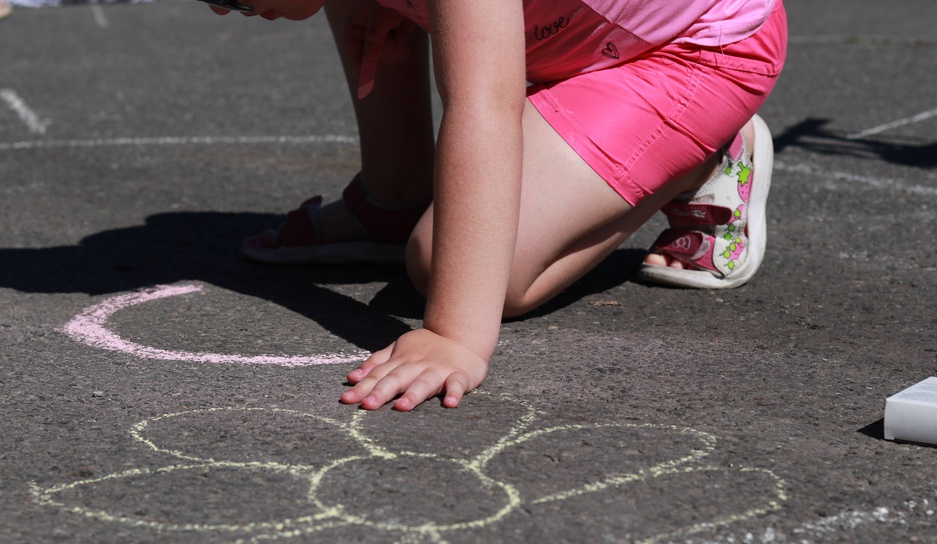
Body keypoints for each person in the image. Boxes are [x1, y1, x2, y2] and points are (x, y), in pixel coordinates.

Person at [208, 0, 787, 411]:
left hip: (691, 52)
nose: (216, 8)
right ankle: (391, 198)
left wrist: (455, 335)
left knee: (456, 267)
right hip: (575, 38)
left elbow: (483, 106)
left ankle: (709, 155)